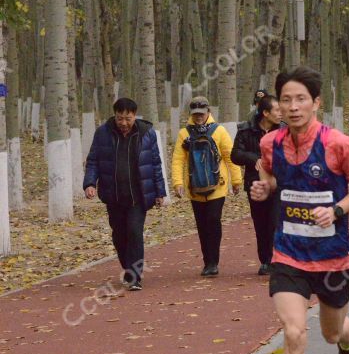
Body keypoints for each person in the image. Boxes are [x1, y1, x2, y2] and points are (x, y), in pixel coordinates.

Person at [251, 67, 349, 354]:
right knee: (293, 333)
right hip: (288, 254)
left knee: (331, 334)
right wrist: (262, 187)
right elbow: (268, 175)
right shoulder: (270, 143)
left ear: (317, 102)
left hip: (333, 257)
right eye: (285, 99)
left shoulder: (338, 144)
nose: (293, 106)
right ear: (277, 106)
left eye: (301, 98)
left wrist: (336, 210)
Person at [83, 98, 166, 291]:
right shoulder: (103, 133)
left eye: (127, 118)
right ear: (115, 115)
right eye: (120, 118)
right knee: (119, 235)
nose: (123, 123)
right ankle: (128, 270)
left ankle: (135, 276)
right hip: (114, 195)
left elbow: (155, 162)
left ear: (135, 116)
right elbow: (93, 160)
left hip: (138, 196)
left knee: (135, 232)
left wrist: (160, 191)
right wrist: (89, 183)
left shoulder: (146, 133)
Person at [171, 97, 242, 277]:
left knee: (213, 220)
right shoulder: (184, 134)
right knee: (202, 225)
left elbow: (230, 157)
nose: (198, 117)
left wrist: (236, 181)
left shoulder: (219, 131)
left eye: (201, 114)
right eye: (195, 114)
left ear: (208, 112)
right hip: (195, 188)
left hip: (217, 186)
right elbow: (178, 160)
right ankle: (207, 261)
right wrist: (177, 183)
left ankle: (213, 261)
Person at [231, 95, 282, 275]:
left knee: (276, 222)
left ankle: (278, 259)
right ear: (265, 113)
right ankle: (265, 260)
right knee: (261, 224)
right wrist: (255, 159)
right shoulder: (246, 130)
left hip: (279, 185)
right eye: (277, 110)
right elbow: (235, 154)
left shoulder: (284, 130)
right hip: (256, 186)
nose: (281, 113)